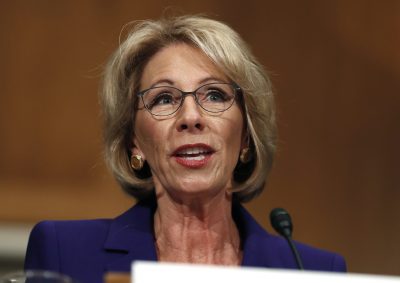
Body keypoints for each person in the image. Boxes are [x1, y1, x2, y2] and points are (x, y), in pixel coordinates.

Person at [24, 15, 346, 283]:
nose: (191, 117)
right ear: (133, 141)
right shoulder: (64, 252)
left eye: (215, 95)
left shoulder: (314, 272)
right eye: (163, 99)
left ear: (247, 135)